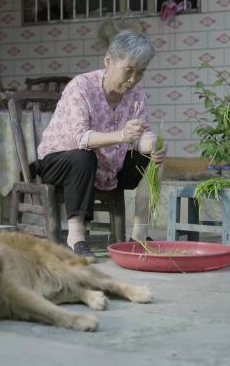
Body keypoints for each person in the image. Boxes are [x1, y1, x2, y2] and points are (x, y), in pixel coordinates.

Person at [36, 30, 166, 262]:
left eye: (141, 72)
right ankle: (76, 238)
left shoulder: (137, 95)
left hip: (108, 167)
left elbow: (140, 135)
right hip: (61, 163)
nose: (134, 79)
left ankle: (139, 235)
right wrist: (122, 136)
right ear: (109, 61)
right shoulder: (82, 86)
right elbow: (81, 139)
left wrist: (153, 144)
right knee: (84, 156)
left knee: (152, 157)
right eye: (129, 70)